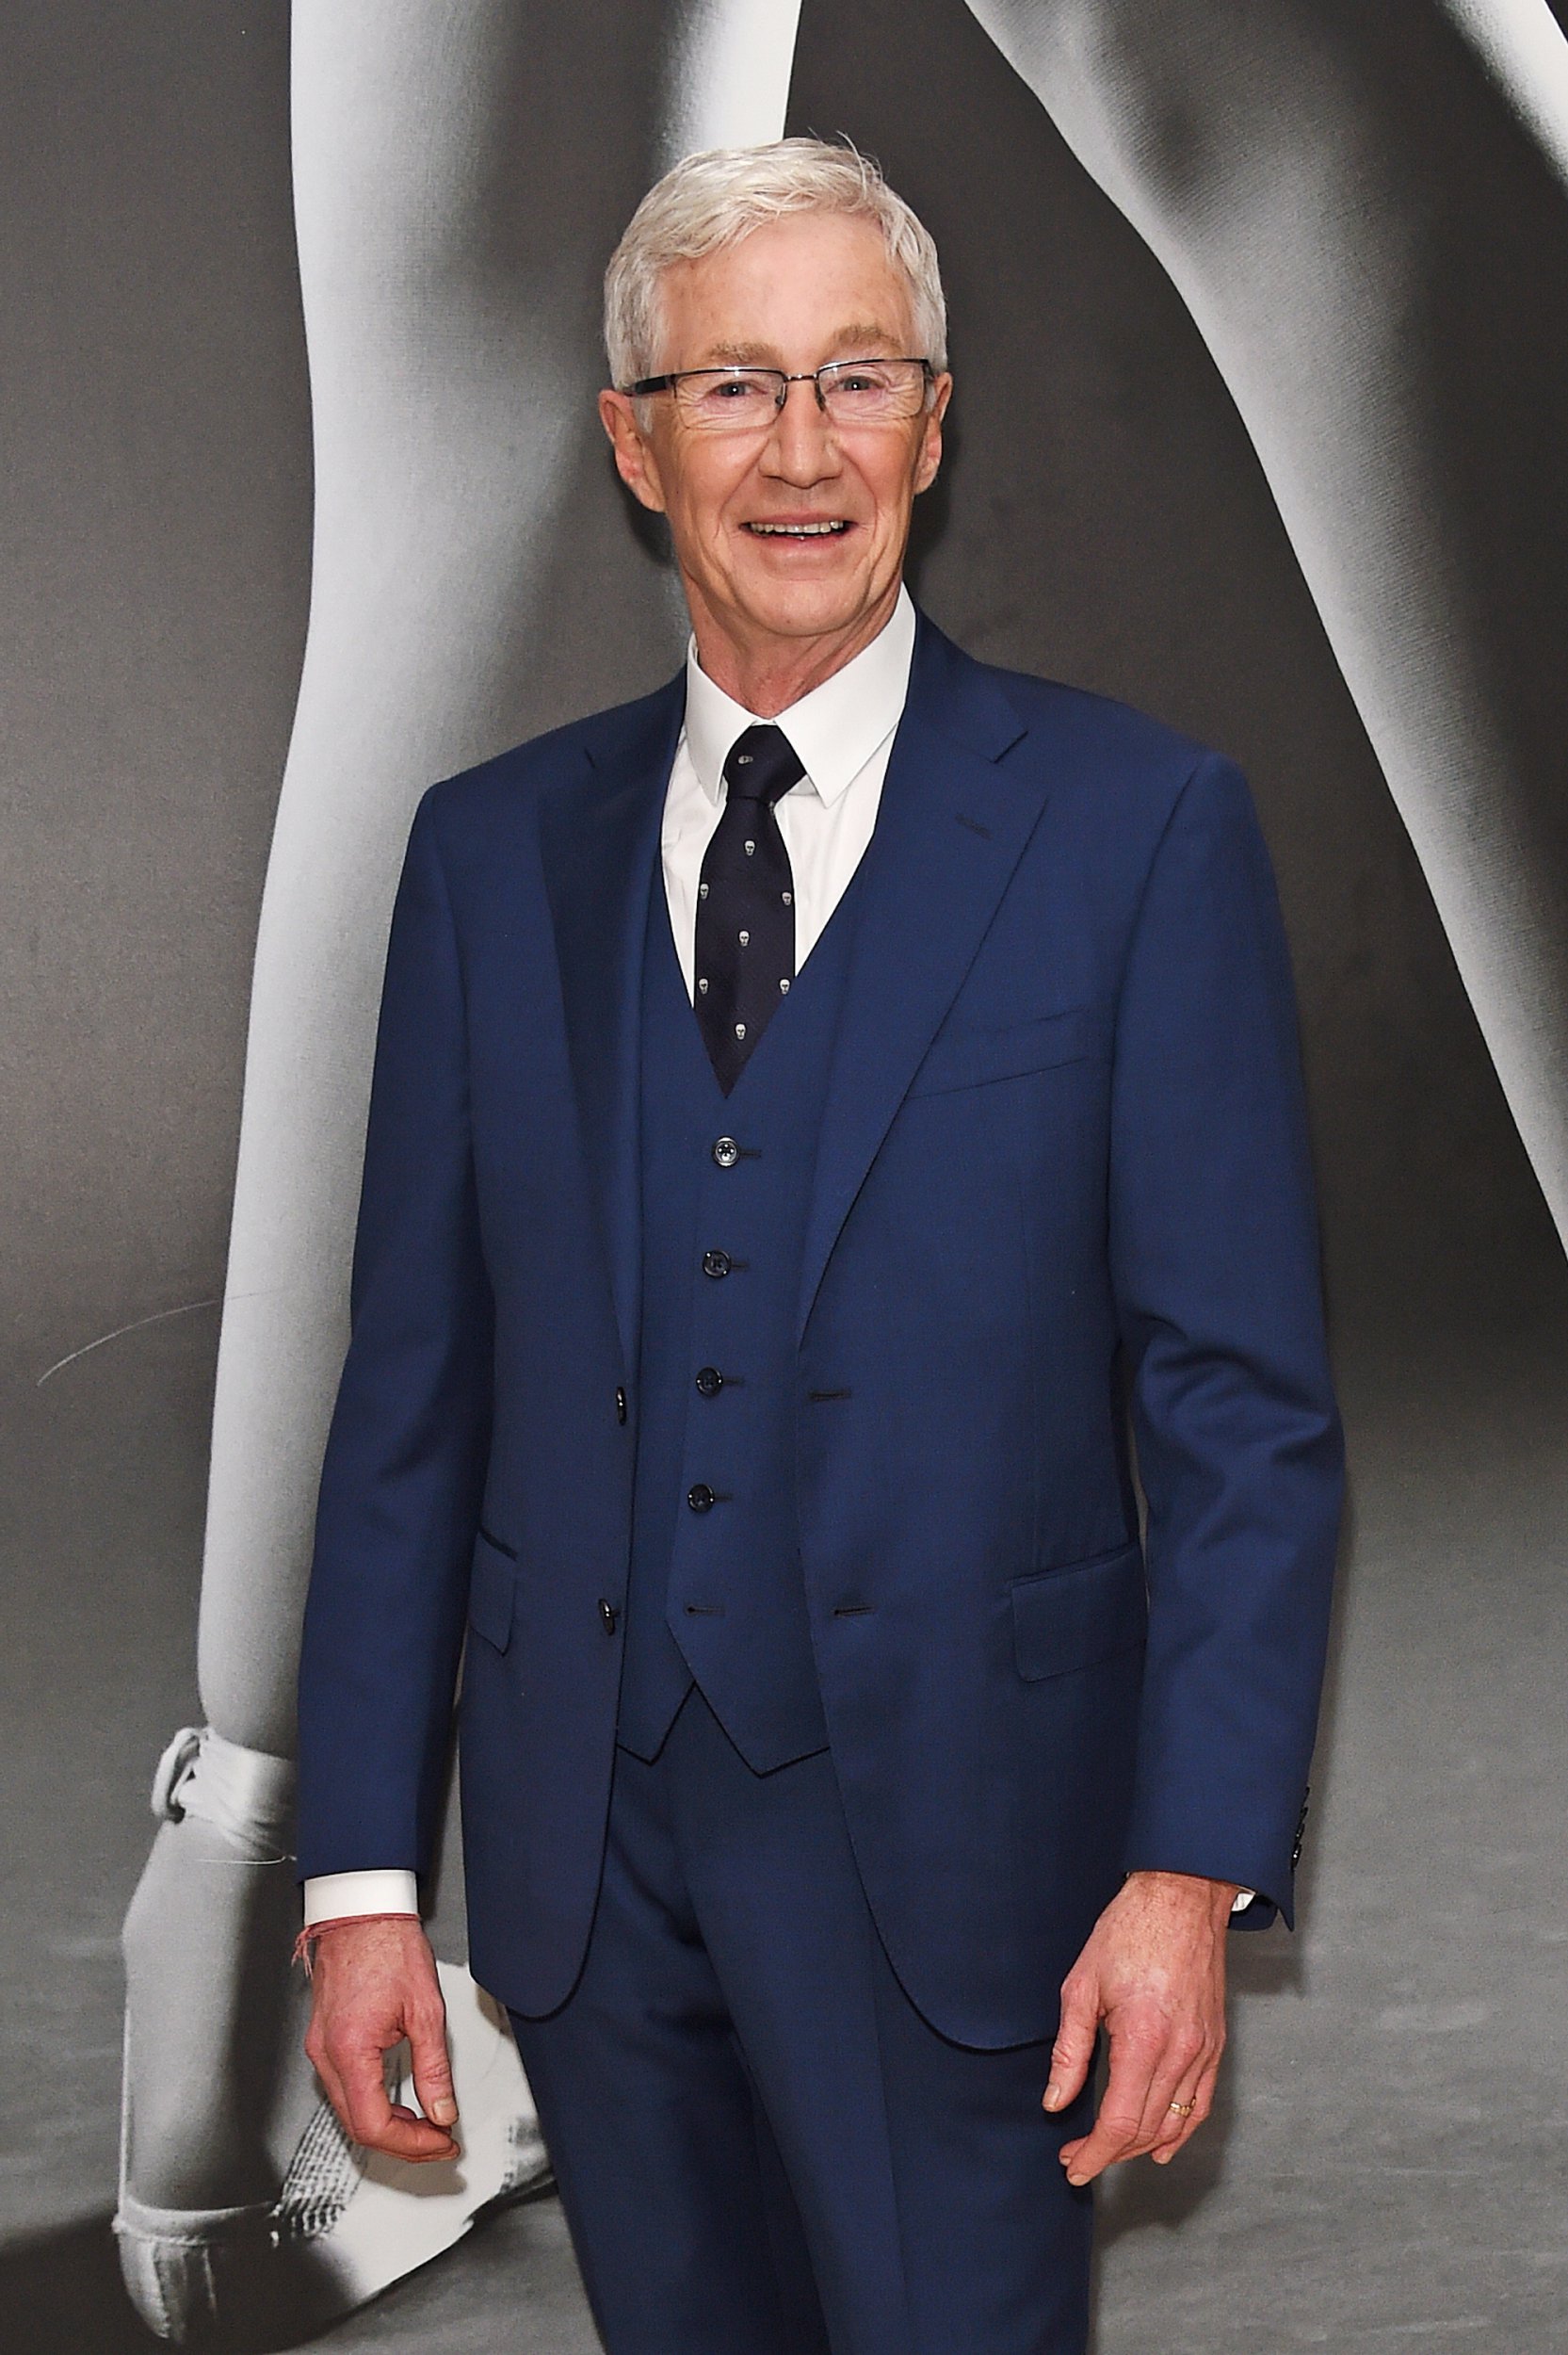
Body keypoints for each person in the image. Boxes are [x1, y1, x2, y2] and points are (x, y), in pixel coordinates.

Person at [295, 140, 1343, 2355]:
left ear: (932, 425)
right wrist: (365, 1876)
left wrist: (1187, 1870)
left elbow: (1237, 1407)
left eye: (856, 378)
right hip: (589, 1878)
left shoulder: (1134, 831)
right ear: (633, 439)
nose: (799, 452)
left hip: (975, 1875)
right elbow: (411, 1398)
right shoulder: (488, 860)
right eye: (735, 386)